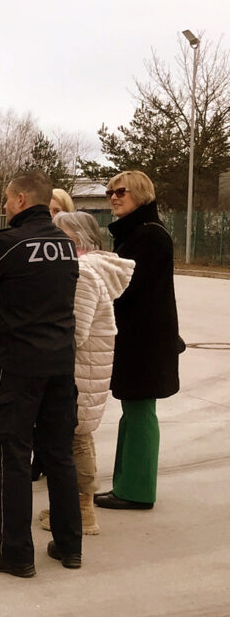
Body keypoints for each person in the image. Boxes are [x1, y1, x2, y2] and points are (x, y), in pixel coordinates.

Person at [0, 170, 81, 577]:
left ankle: (16, 552)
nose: (4, 205)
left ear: (20, 199)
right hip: (60, 363)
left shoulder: (8, 242)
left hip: (16, 365)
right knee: (59, 455)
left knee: (14, 458)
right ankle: (70, 544)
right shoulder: (65, 244)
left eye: (7, 198)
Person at [40, 211, 134, 536]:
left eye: (60, 236)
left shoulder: (81, 272)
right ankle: (73, 505)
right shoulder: (91, 267)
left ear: (78, 240)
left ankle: (81, 511)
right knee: (78, 436)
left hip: (79, 368)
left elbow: (74, 331)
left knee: (75, 438)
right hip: (88, 366)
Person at [96, 170, 182, 512]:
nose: (114, 198)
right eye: (110, 193)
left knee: (140, 411)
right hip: (139, 340)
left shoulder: (148, 235)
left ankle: (136, 490)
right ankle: (128, 484)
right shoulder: (139, 232)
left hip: (144, 343)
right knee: (133, 411)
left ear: (141, 195)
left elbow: (126, 288)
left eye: (121, 192)